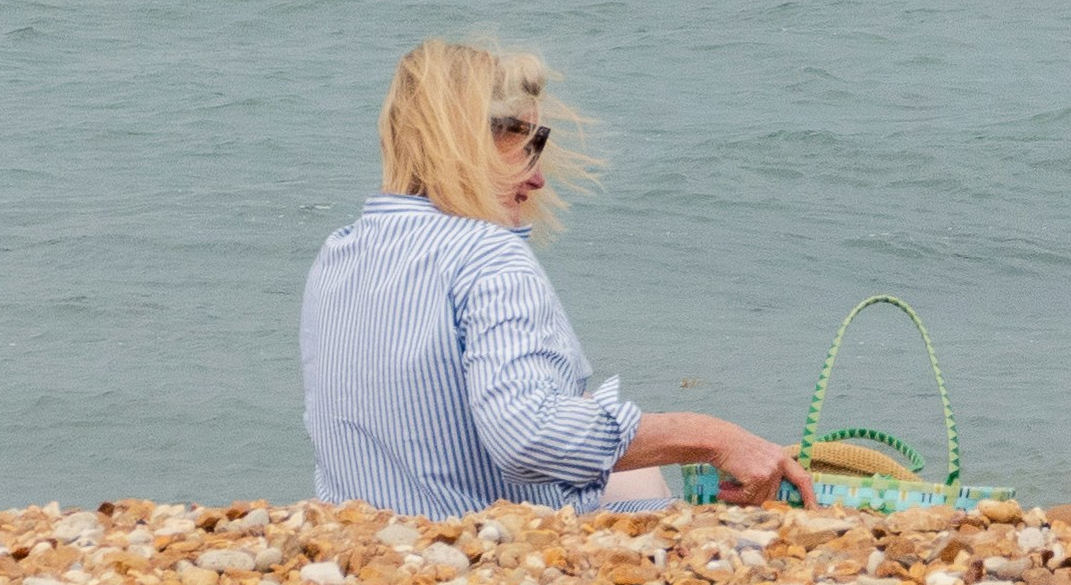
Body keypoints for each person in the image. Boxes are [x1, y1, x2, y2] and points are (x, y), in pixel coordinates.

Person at [303, 39, 810, 517]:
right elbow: (528, 438)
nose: (539, 175)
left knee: (635, 467)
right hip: (476, 548)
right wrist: (713, 437)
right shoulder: (488, 256)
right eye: (528, 141)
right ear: (466, 142)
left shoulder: (342, 251)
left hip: (371, 539)